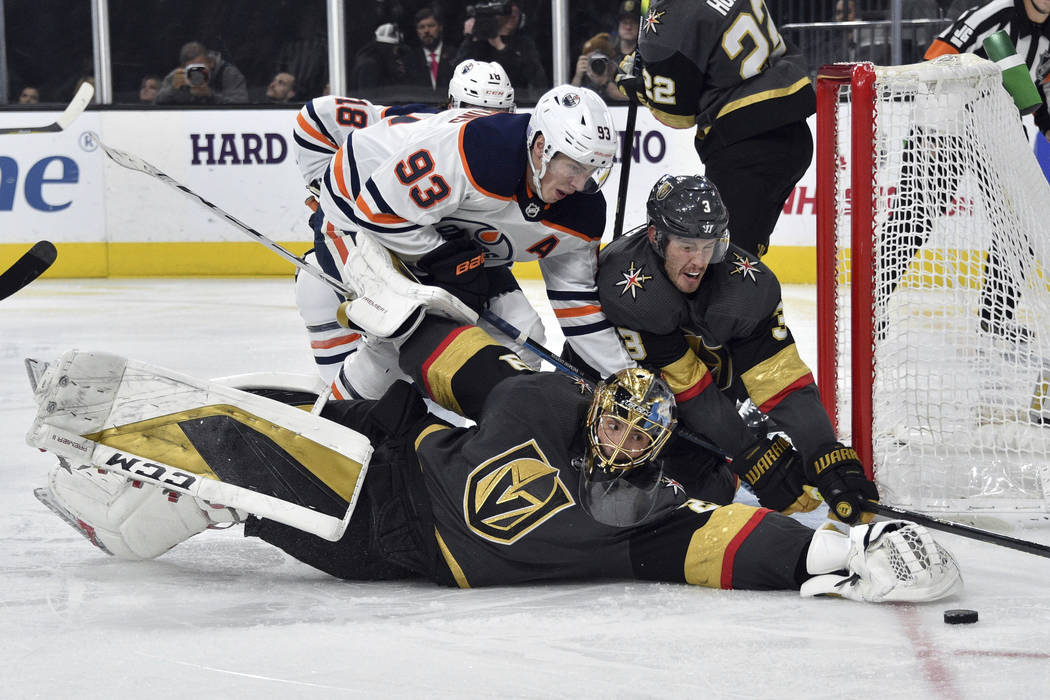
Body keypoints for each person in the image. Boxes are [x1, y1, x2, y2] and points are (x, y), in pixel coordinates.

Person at [33, 314, 963, 604]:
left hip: (394, 549)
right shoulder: (541, 397)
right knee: (268, 412)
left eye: (638, 438)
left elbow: (731, 542)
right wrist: (398, 312)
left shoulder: (643, 518)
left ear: (654, 450)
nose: (619, 443)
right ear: (595, 407)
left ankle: (136, 511)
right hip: (390, 462)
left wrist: (844, 551)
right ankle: (132, 485)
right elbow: (453, 356)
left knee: (252, 478)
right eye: (614, 424)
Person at [310, 84, 631, 403]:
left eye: (591, 171)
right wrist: (440, 259)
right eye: (574, 167)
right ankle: (337, 415)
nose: (579, 184)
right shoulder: (480, 152)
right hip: (356, 205)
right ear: (540, 147)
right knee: (401, 326)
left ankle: (503, 425)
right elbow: (378, 210)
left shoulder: (583, 213)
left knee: (522, 332)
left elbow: (577, 303)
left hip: (445, 230)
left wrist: (626, 379)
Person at [595, 174, 880, 526]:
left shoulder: (747, 289)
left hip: (703, 407)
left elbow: (782, 380)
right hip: (629, 405)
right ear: (656, 237)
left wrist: (823, 451)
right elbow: (688, 386)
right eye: (686, 246)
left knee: (700, 495)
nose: (699, 261)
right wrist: (746, 452)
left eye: (709, 246)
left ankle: (735, 438)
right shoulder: (629, 285)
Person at [292, 60, 520, 400]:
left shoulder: (510, 157)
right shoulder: (413, 125)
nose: (484, 124)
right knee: (383, 335)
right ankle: (343, 408)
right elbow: (317, 117)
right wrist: (325, 189)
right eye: (473, 111)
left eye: (498, 115)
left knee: (510, 330)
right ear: (451, 106)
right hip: (370, 247)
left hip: (432, 255)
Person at [878, 0, 1050, 342]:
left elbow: (1043, 84)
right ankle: (871, 304)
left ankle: (996, 317)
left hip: (999, 124)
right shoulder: (994, 14)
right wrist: (970, 86)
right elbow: (936, 57)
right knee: (914, 218)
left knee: (1021, 222)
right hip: (944, 121)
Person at [617, 0, 815, 257]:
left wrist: (638, 87)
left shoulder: (665, 20)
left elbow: (677, 116)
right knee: (744, 255)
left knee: (724, 260)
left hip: (745, 144)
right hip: (793, 131)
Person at [454, 1, 549, 98]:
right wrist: (469, 38)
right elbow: (460, 70)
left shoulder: (524, 44)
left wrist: (500, 46)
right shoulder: (478, 42)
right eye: (507, 13)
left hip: (514, 99)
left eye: (516, 13)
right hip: (477, 98)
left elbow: (535, 78)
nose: (512, 16)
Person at [154, 41, 249, 105]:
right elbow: (157, 103)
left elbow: (242, 106)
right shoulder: (178, 76)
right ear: (184, 68)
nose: (197, 73)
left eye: (200, 68)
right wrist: (173, 90)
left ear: (211, 62)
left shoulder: (228, 74)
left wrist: (211, 95)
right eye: (192, 69)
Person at [403, 7, 458, 94]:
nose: (426, 31)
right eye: (421, 27)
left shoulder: (455, 56)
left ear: (440, 27)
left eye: (431, 26)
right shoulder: (410, 60)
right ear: (417, 31)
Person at [351, 23, 410, 91]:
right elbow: (367, 94)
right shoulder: (369, 65)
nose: (397, 54)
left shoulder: (386, 63)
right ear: (386, 48)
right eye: (395, 48)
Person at [570, 33, 626, 104]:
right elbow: (570, 102)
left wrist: (606, 84)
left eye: (602, 60)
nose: (597, 63)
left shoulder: (621, 75)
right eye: (591, 59)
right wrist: (578, 77)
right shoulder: (584, 78)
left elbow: (633, 98)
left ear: (612, 62)